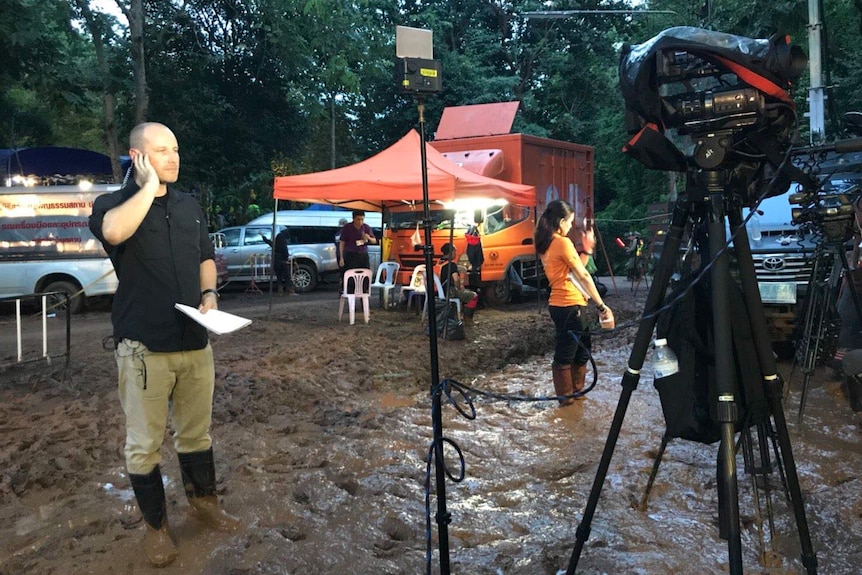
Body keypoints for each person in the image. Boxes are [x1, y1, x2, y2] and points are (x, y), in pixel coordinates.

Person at [88, 122, 239, 568]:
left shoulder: (190, 205)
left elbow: (204, 258)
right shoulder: (112, 204)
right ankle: (156, 529)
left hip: (194, 340)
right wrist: (148, 187)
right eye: (161, 151)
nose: (173, 157)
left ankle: (204, 505)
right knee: (144, 444)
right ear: (138, 156)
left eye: (175, 149)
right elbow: (114, 233)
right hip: (143, 345)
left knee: (196, 434)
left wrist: (209, 295)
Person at [535, 200, 613, 406]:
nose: (571, 227)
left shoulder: (547, 243)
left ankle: (576, 396)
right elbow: (584, 276)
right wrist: (602, 306)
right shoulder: (561, 242)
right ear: (561, 222)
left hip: (566, 305)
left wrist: (586, 250)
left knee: (582, 351)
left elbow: (573, 272)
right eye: (569, 222)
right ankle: (567, 402)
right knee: (566, 355)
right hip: (569, 306)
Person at [439, 243, 479, 322]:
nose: (456, 253)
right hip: (450, 291)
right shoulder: (451, 264)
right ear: (452, 252)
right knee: (473, 296)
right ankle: (468, 319)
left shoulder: (439, 262)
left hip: (440, 291)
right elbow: (456, 279)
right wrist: (459, 287)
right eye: (455, 251)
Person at [261, 227, 296, 295]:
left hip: (275, 260)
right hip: (282, 260)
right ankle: (290, 291)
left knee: (279, 276)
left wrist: (264, 237)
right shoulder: (283, 240)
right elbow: (285, 250)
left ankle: (280, 291)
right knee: (287, 276)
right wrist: (286, 258)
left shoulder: (277, 239)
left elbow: (269, 243)